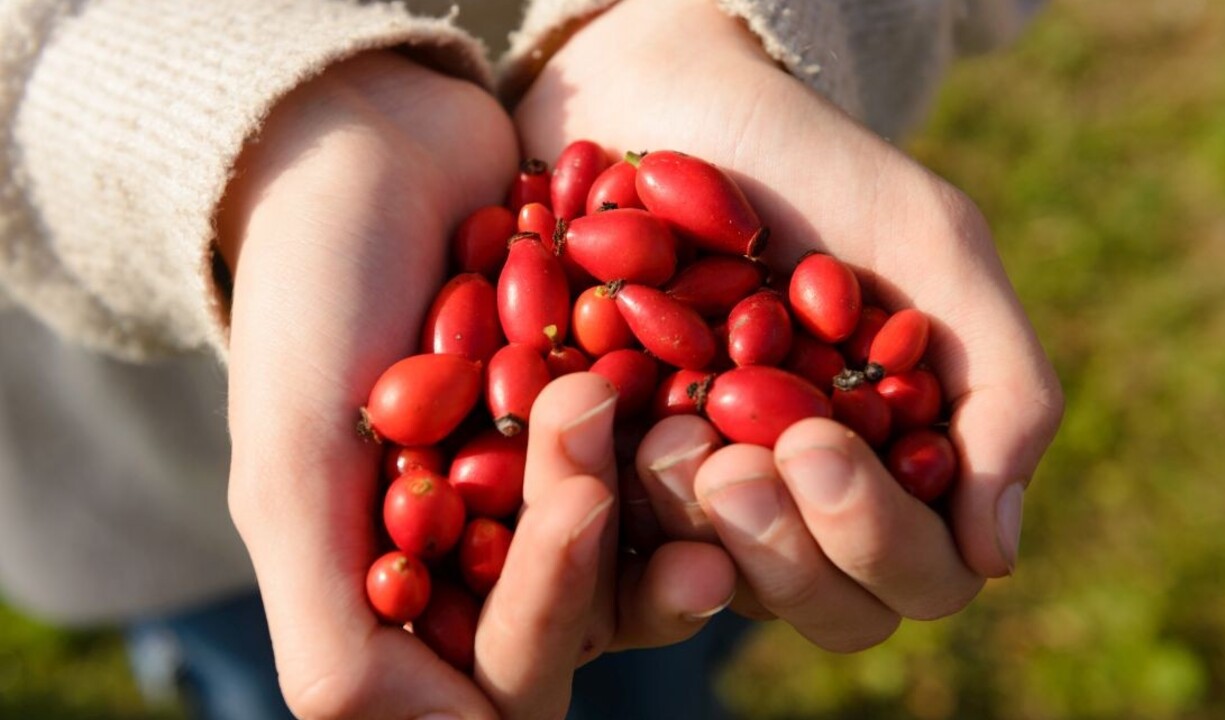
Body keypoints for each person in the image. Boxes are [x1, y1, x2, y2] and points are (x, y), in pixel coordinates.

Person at [0, 0, 1063, 717]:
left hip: (658, 523)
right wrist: (234, 129)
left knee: (676, 615)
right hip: (168, 507)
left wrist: (699, 16)